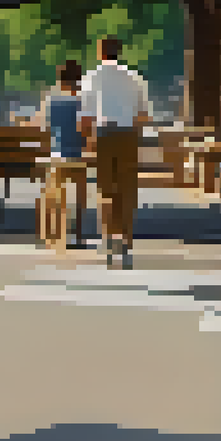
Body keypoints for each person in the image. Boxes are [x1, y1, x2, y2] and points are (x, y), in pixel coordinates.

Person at [79, 37, 150, 268]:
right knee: (127, 189)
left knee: (105, 188)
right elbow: (142, 115)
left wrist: (88, 143)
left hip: (103, 134)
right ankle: (127, 239)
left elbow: (86, 117)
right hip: (128, 134)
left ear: (100, 52)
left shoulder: (92, 77)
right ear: (119, 52)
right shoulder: (134, 77)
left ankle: (108, 238)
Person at [34, 61, 84, 159]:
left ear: (61, 81)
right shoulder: (83, 102)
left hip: (56, 155)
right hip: (80, 156)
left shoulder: (51, 101)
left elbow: (43, 130)